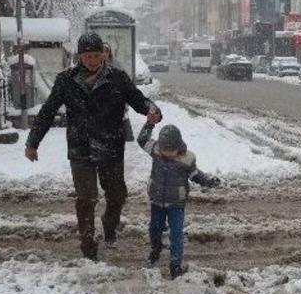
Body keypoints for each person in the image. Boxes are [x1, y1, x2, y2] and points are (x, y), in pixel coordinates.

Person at [25, 32, 162, 260]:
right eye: (87, 56)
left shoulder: (117, 77)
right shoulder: (66, 80)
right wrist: (32, 142)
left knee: (117, 195)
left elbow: (137, 99)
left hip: (110, 145)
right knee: (86, 199)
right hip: (81, 148)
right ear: (80, 56)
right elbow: (48, 112)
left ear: (103, 54)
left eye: (96, 55)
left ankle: (109, 227)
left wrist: (151, 109)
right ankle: (88, 246)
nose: (92, 60)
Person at [137, 117, 220, 279]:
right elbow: (142, 140)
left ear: (178, 147)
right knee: (154, 229)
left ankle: (175, 264)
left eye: (170, 149)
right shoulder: (155, 151)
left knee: (176, 234)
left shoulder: (186, 160)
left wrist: (208, 181)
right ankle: (156, 248)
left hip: (176, 204)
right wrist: (149, 123)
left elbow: (195, 175)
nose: (166, 153)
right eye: (164, 149)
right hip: (157, 201)